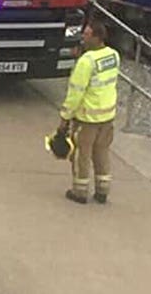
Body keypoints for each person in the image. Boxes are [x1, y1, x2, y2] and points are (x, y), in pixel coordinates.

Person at [56, 18, 120, 204]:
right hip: (107, 117)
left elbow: (75, 93)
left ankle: (80, 192)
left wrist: (64, 118)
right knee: (101, 153)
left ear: (97, 37)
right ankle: (102, 191)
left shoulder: (86, 62)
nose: (83, 37)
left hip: (88, 118)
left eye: (86, 34)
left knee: (81, 155)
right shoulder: (113, 55)